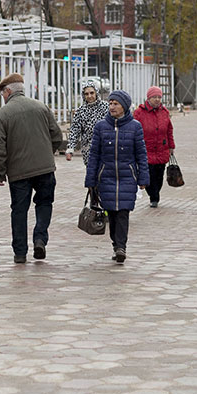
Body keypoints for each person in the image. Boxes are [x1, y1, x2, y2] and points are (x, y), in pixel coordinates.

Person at [0, 72, 65, 263]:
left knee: (19, 211)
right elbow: (57, 137)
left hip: (18, 173)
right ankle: (40, 238)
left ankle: (20, 252)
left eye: (2, 94)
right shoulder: (41, 107)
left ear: (7, 91)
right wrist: (46, 154)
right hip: (45, 169)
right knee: (44, 203)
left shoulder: (2, 115)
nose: (3, 98)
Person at [86, 89, 148, 264]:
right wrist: (90, 180)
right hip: (106, 176)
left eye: (116, 104)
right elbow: (94, 155)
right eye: (110, 103)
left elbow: (141, 154)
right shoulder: (101, 127)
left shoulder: (135, 127)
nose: (112, 107)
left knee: (123, 212)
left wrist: (143, 178)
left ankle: (121, 246)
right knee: (111, 213)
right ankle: (116, 244)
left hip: (127, 176)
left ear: (124, 107)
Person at [133, 86, 175, 208]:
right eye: (154, 97)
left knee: (159, 175)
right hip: (146, 149)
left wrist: (171, 146)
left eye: (159, 97)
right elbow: (134, 130)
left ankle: (155, 195)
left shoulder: (165, 112)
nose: (157, 99)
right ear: (148, 98)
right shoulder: (139, 113)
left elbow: (169, 130)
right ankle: (153, 196)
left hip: (162, 149)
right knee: (149, 175)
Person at [66, 78, 109, 164]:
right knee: (92, 175)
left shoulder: (106, 107)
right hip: (89, 151)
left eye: (92, 93)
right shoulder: (80, 111)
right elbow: (75, 130)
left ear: (96, 93)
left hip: (106, 149)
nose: (89, 96)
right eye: (86, 94)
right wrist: (70, 148)